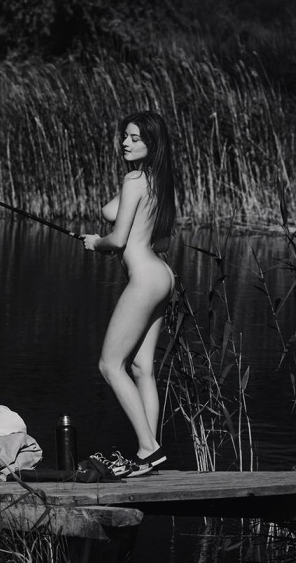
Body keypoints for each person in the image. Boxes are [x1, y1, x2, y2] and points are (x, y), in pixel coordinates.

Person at [80, 111, 176, 477]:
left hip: (145, 279)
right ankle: (150, 453)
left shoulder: (135, 178)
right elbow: (162, 239)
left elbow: (117, 239)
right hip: (163, 274)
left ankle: (148, 448)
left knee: (109, 365)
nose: (126, 142)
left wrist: (96, 244)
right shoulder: (158, 182)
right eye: (124, 136)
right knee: (140, 367)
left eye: (135, 138)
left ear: (151, 144)